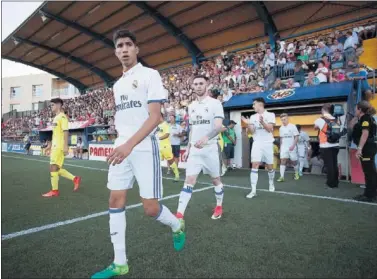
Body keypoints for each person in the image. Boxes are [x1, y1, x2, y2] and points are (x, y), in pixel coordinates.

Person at [91, 30, 185, 279]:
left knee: (151, 209)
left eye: (128, 44)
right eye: (119, 45)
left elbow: (156, 117)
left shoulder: (150, 75)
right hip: (122, 147)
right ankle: (120, 263)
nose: (123, 49)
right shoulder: (117, 84)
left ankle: (177, 225)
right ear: (115, 52)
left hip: (143, 147)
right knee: (115, 200)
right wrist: (121, 143)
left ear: (136, 49)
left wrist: (129, 145)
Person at [176, 75, 225, 220]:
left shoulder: (215, 103)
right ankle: (179, 214)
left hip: (210, 149)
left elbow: (218, 127)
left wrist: (206, 138)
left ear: (207, 85)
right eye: (195, 84)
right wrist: (188, 149)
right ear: (192, 86)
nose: (198, 86)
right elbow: (192, 130)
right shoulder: (191, 107)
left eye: (201, 83)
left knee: (215, 180)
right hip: (195, 151)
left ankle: (219, 206)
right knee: (189, 180)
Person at [42, 98, 81, 198]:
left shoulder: (62, 117)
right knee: (56, 168)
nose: (51, 107)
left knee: (53, 167)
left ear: (59, 105)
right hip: (55, 145)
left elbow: (65, 131)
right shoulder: (55, 118)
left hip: (59, 146)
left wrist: (65, 146)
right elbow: (55, 133)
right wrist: (50, 145)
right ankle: (75, 179)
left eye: (52, 105)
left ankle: (54, 191)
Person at [241, 97, 276, 198]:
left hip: (268, 143)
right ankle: (253, 190)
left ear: (260, 104)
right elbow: (252, 132)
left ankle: (271, 182)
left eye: (254, 104)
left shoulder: (270, 115)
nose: (253, 106)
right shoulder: (252, 116)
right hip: (257, 143)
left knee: (269, 167)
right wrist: (248, 124)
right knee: (255, 164)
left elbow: (269, 129)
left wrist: (263, 122)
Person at [350, 101, 377, 202]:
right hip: (369, 147)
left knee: (369, 172)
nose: (355, 110)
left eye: (356, 108)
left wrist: (360, 148)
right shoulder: (366, 118)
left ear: (360, 109)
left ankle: (370, 195)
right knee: (370, 171)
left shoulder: (365, 118)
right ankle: (370, 193)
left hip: (367, 148)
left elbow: (365, 133)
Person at [314, 104, 341, 189]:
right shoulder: (336, 119)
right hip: (336, 144)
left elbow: (315, 128)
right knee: (334, 163)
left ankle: (330, 183)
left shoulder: (320, 119)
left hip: (325, 145)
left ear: (323, 110)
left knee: (329, 165)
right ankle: (335, 183)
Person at [277, 113, 300, 182]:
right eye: (282, 120)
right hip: (284, 147)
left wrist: (293, 145)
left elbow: (296, 137)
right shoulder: (281, 128)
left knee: (294, 162)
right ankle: (281, 177)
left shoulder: (293, 126)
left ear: (287, 119)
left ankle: (296, 173)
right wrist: (281, 147)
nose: (283, 121)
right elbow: (281, 138)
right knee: (283, 160)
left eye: (284, 119)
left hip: (292, 147)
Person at [158, 115, 180, 181]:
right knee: (155, 160)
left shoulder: (166, 125)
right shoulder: (156, 125)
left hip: (165, 146)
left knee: (171, 161)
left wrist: (158, 138)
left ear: (160, 117)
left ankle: (177, 175)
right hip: (158, 146)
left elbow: (167, 134)